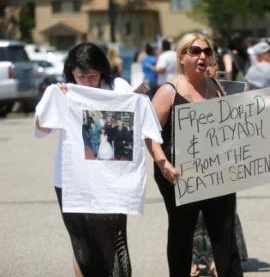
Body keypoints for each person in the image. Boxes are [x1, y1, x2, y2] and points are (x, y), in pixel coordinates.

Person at [34, 42, 162, 277]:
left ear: (102, 70)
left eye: (92, 76)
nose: (87, 82)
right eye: (81, 76)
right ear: (71, 71)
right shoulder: (67, 91)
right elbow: (43, 127)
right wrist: (54, 97)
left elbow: (140, 120)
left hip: (111, 181)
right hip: (73, 181)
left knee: (112, 240)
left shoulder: (118, 87)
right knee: (82, 242)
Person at [148, 33, 243, 277]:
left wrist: (264, 105)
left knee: (225, 232)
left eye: (207, 51)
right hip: (178, 175)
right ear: (182, 57)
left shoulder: (217, 87)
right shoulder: (168, 91)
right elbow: (149, 134)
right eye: (195, 51)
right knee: (182, 232)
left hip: (215, 171)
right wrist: (163, 163)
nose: (203, 56)